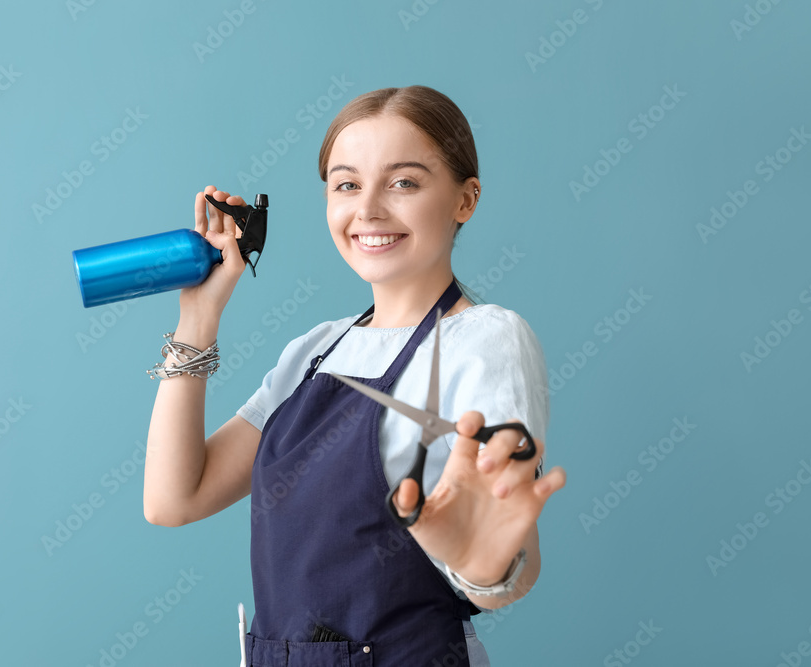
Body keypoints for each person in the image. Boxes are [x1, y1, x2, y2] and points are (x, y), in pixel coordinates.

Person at [143, 85, 567, 667]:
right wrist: (198, 317)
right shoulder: (316, 350)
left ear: (465, 200)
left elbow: (508, 564)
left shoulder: (485, 340)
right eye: (346, 184)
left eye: (404, 182)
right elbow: (174, 498)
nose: (367, 209)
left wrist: (481, 563)